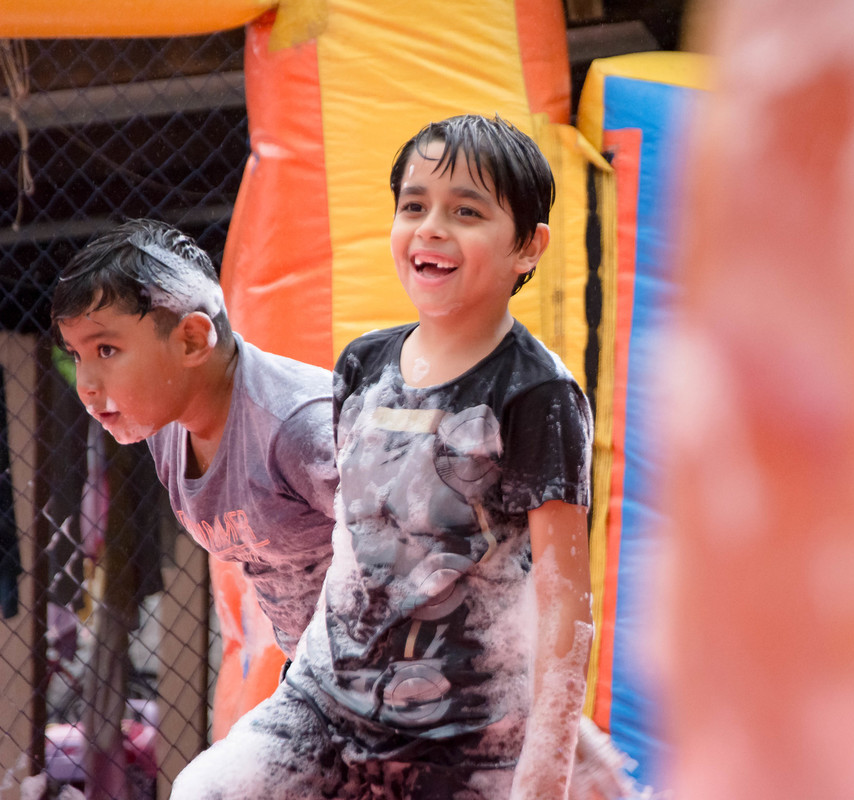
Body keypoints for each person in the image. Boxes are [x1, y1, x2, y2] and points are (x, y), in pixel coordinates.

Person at [170, 114, 596, 800]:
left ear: (528, 247)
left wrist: (547, 769)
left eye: (466, 211)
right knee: (208, 791)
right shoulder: (363, 364)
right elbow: (349, 545)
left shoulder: (536, 392)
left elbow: (564, 598)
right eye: (414, 206)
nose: (430, 227)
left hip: (464, 726)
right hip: (332, 702)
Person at [51, 219, 339, 669]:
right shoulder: (166, 427)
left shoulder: (299, 427)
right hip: (321, 671)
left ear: (192, 341)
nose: (85, 384)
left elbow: (422, 553)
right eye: (76, 355)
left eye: (106, 349)